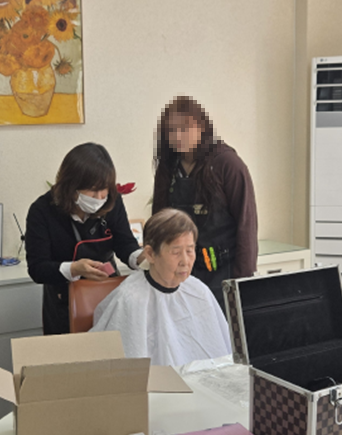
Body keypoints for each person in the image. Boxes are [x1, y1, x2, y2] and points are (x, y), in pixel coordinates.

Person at [26, 143, 145, 335]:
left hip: (107, 293)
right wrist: (74, 269)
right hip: (63, 301)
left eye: (104, 189)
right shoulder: (42, 211)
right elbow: (37, 268)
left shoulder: (112, 201)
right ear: (71, 186)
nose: (99, 197)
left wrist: (141, 258)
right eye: (92, 190)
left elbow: (125, 243)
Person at [152, 96, 258, 310]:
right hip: (181, 272)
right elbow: (159, 220)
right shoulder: (168, 166)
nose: (178, 136)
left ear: (202, 127)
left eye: (185, 129)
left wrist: (242, 282)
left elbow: (246, 225)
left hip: (223, 273)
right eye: (171, 131)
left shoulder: (227, 164)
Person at [91, 208, 231, 366]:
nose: (185, 261)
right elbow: (124, 365)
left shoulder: (199, 291)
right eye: (176, 252)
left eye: (190, 250)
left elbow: (221, 352)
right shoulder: (130, 298)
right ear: (150, 254)